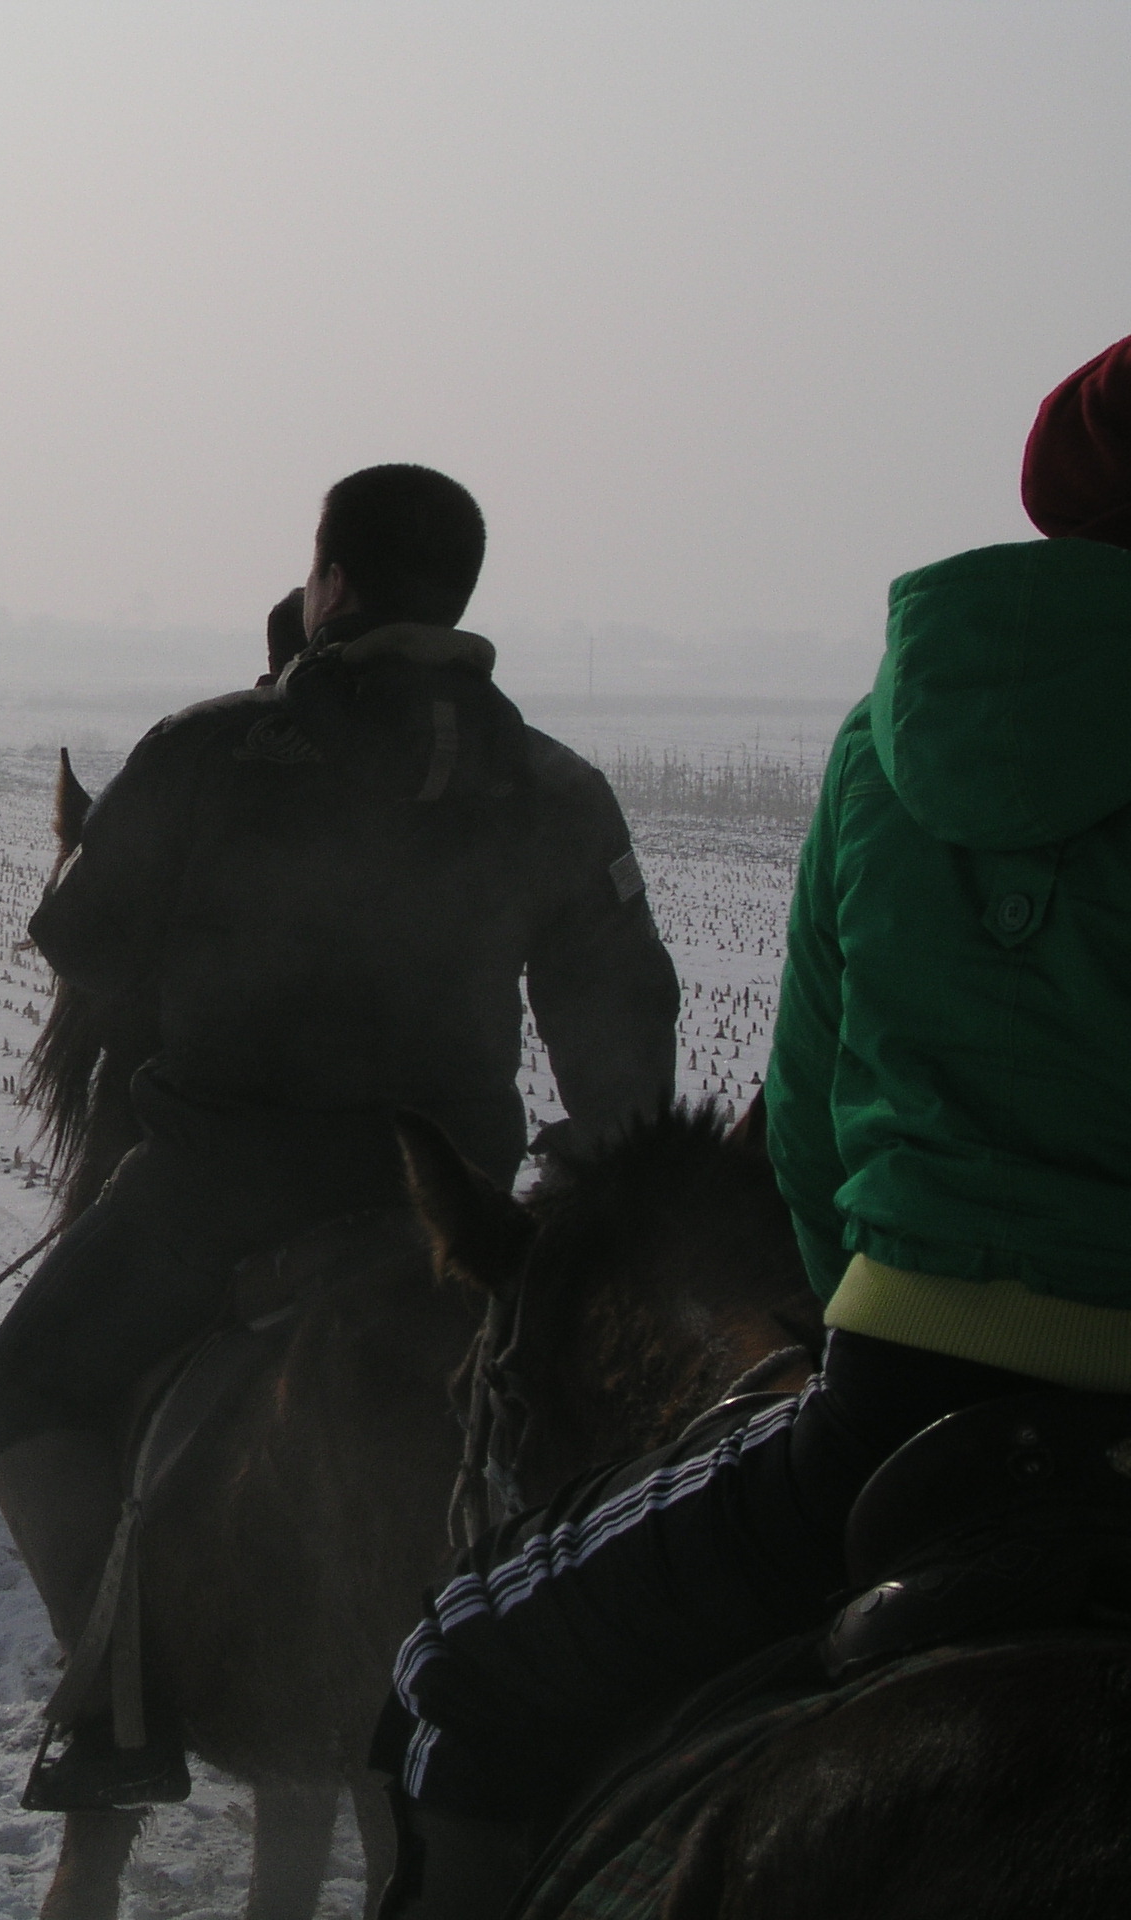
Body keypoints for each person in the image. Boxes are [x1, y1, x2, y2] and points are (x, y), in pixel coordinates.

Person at [368, 336, 1131, 1917]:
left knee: (458, 1670)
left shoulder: (883, 745)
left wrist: (866, 1296)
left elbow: (812, 1121)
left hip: (912, 1401)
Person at [0, 463, 679, 1814]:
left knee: (33, 1384)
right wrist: (575, 1197)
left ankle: (118, 1703)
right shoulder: (550, 782)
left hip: (217, 1191)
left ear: (335, 586)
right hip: (450, 1207)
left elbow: (81, 945)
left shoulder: (209, 749)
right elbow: (623, 1021)